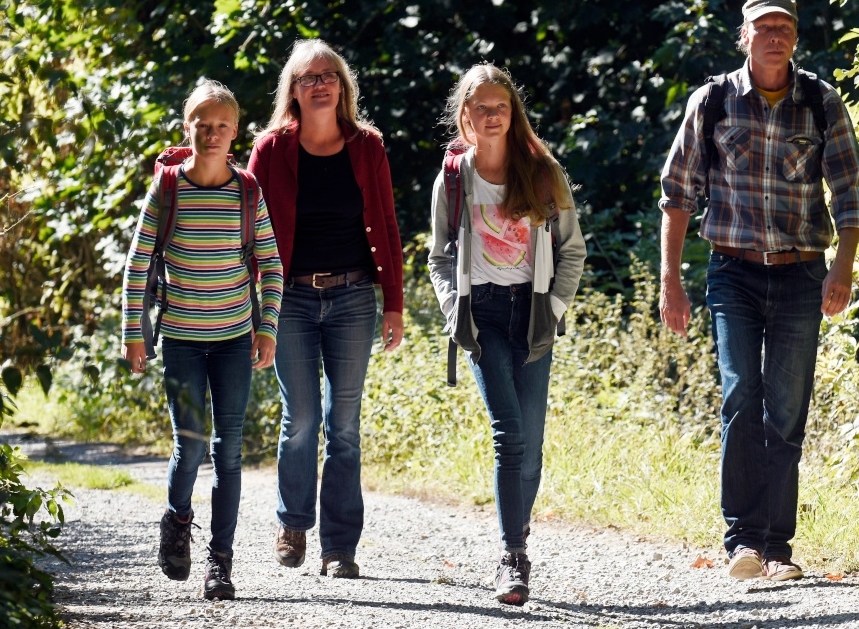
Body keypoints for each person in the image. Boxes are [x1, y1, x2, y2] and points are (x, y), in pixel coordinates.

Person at [659, 0, 859, 582]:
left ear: (796, 36)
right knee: (739, 398)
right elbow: (677, 196)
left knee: (787, 410)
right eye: (763, 26)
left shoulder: (820, 102)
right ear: (744, 35)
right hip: (734, 271)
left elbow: (851, 193)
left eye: (784, 26)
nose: (774, 35)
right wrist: (670, 280)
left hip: (804, 273)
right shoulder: (713, 101)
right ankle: (742, 541)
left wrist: (843, 265)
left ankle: (778, 546)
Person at [428, 64, 586, 605]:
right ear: (465, 116)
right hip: (484, 316)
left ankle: (515, 538)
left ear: (512, 113)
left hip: (533, 314)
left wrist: (555, 306)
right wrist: (455, 311)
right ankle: (511, 556)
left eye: (500, 107)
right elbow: (440, 255)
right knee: (509, 433)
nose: (491, 116)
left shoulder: (543, 172)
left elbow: (572, 249)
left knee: (532, 445)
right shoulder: (453, 178)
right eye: (480, 108)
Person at [247, 39, 403, 580]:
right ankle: (293, 523)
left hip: (354, 297)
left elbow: (385, 224)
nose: (320, 84)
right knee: (302, 418)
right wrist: (254, 311)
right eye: (308, 77)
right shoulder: (270, 150)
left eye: (329, 75)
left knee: (345, 425)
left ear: (343, 86)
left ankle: (340, 547)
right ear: (292, 90)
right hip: (287, 300)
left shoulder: (368, 146)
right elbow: (247, 233)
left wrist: (395, 304)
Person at [121, 80, 284, 600]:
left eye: (222, 126)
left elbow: (272, 266)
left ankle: (221, 561)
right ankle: (176, 519)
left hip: (235, 338)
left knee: (229, 451)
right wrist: (134, 334)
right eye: (202, 124)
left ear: (235, 132)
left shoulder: (247, 191)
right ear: (186, 127)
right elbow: (138, 265)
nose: (211, 134)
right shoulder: (168, 188)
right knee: (189, 446)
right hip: (184, 341)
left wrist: (267, 328)